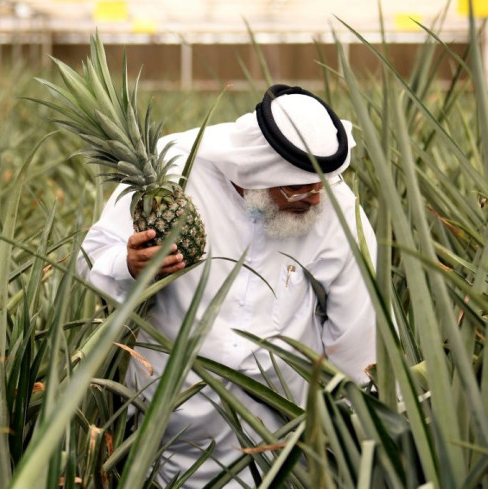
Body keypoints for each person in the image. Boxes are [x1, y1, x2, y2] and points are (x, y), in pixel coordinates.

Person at [77, 84, 377, 487]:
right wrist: (128, 264)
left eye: (322, 186)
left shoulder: (330, 201)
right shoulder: (172, 171)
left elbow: (359, 322)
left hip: (278, 440)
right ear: (257, 169)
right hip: (166, 433)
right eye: (298, 188)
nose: (314, 200)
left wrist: (350, 427)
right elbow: (91, 256)